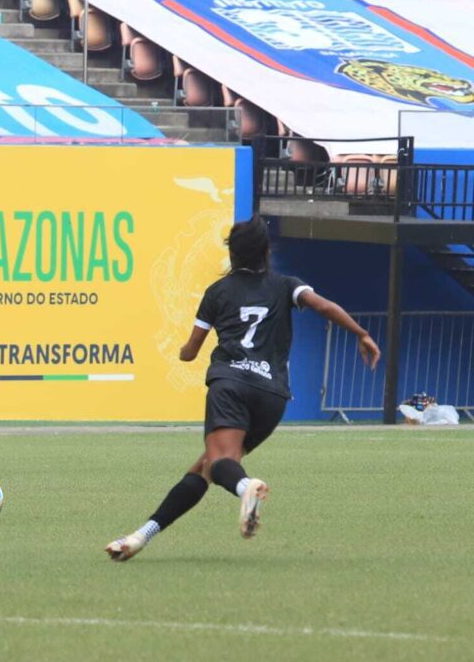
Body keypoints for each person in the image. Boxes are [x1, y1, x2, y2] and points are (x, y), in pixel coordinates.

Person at [106, 216, 380, 561]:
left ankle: (245, 488)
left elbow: (190, 352)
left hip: (231, 384)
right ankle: (140, 537)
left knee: (221, 462)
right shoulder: (286, 285)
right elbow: (323, 306)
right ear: (266, 252)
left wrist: (180, 351)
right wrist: (362, 334)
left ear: (231, 254)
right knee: (206, 467)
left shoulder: (218, 292)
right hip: (272, 396)